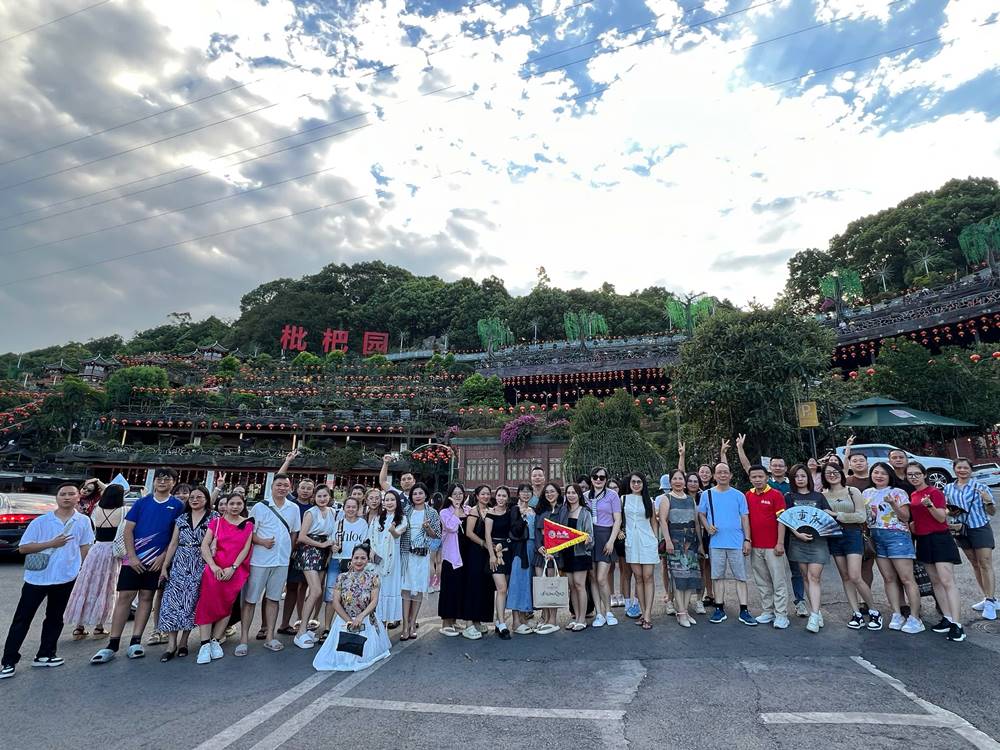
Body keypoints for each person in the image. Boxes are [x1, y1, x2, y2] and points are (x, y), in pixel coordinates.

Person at [1, 483, 94, 679]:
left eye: (71, 494)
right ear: (57, 498)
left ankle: (45, 654)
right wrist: (52, 544)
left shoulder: (83, 521)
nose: (66, 497)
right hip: (38, 577)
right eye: (63, 494)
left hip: (66, 576)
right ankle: (8, 660)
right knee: (22, 619)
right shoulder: (41, 522)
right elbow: (24, 548)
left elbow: (85, 546)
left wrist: (82, 569)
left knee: (55, 618)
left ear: (78, 497)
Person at [92, 467, 184, 664]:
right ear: (154, 481)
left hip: (157, 559)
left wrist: (163, 557)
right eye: (159, 478)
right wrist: (131, 556)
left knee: (146, 597)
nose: (162, 482)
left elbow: (176, 535)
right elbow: (128, 530)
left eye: (167, 479)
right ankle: (113, 643)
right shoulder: (142, 503)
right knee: (125, 597)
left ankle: (136, 640)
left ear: (173, 482)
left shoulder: (177, 506)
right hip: (134, 558)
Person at [239, 473, 301, 655]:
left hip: (281, 560)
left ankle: (270, 637)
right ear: (272, 487)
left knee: (273, 599)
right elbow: (250, 533)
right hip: (260, 560)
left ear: (290, 488)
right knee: (250, 600)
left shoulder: (293, 508)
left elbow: (294, 532)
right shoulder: (260, 507)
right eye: (279, 485)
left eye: (285, 485)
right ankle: (243, 639)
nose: (282, 488)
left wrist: (288, 552)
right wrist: (262, 542)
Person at [908, 462, 966, 642]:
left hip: (940, 538)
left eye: (917, 473)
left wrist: (930, 505)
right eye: (910, 475)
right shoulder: (913, 494)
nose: (913, 477)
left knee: (947, 580)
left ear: (924, 474)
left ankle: (958, 624)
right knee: (935, 581)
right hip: (923, 540)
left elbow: (942, 517)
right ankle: (947, 618)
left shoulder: (934, 493)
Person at [158, 486, 216, 661]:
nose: (195, 500)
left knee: (191, 602)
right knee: (173, 603)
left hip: (200, 561)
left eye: (199, 497)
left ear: (206, 499)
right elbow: (174, 543)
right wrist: (165, 565)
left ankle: (184, 641)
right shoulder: (181, 518)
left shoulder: (214, 518)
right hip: (180, 562)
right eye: (192, 497)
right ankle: (171, 644)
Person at [312, 543, 391, 672]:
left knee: (362, 656)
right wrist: (348, 620)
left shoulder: (373, 577)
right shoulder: (341, 578)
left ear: (367, 560)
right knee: (340, 656)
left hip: (365, 619)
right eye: (356, 558)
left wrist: (360, 617)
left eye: (363, 558)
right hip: (344, 620)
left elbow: (374, 601)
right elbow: (335, 602)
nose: (359, 561)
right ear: (351, 559)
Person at [864, 462, 923, 634]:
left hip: (897, 536)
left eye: (883, 473)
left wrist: (893, 504)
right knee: (888, 578)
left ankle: (915, 617)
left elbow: (905, 517)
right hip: (877, 536)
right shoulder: (866, 493)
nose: (879, 476)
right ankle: (896, 613)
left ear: (890, 475)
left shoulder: (898, 492)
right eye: (876, 472)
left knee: (906, 578)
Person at [822, 464, 882, 630]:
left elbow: (860, 516)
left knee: (856, 576)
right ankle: (856, 613)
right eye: (828, 473)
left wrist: (836, 515)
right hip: (834, 537)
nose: (832, 475)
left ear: (841, 473)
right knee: (845, 577)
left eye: (835, 472)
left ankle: (874, 611)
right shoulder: (823, 495)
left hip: (852, 534)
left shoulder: (852, 491)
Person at [194, 493, 254, 658]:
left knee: (227, 605)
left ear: (243, 506)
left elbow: (245, 549)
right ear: (225, 505)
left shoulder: (248, 524)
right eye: (232, 503)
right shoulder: (217, 522)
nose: (235, 507)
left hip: (234, 571)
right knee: (207, 603)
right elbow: (205, 545)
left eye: (239, 504)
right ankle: (204, 644)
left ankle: (215, 639)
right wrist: (213, 566)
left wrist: (233, 567)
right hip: (215, 569)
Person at [65, 483, 124, 640]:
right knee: (107, 587)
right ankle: (99, 626)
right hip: (112, 551)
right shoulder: (123, 511)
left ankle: (79, 627)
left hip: (95, 550)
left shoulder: (96, 509)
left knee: (87, 585)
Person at [698, 463, 755, 626]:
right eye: (719, 473)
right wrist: (707, 526)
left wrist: (747, 539)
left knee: (740, 577)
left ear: (730, 475)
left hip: (737, 542)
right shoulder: (707, 494)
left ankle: (744, 609)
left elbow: (745, 518)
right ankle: (719, 608)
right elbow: (701, 513)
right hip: (716, 542)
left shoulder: (739, 495)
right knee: (717, 576)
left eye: (726, 472)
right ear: (714, 476)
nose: (723, 475)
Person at [944, 458, 996, 620]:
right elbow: (945, 509)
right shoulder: (948, 488)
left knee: (985, 563)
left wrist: (987, 501)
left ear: (971, 470)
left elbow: (992, 512)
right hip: (961, 529)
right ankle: (986, 597)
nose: (962, 470)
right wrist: (950, 512)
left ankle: (990, 600)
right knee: (974, 563)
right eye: (959, 468)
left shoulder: (980, 487)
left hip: (980, 527)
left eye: (966, 468)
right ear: (954, 469)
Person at [784, 464, 832, 634]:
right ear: (792, 479)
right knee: (805, 576)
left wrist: (834, 514)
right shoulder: (789, 496)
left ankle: (813, 616)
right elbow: (786, 519)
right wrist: (797, 534)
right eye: (796, 476)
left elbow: (828, 515)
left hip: (818, 541)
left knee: (814, 577)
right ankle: (816, 611)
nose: (800, 479)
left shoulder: (818, 496)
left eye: (803, 476)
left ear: (808, 478)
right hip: (797, 541)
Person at [292, 486, 339, 649]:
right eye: (319, 496)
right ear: (314, 497)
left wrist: (329, 547)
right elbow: (302, 536)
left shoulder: (333, 512)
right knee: (316, 590)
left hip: (325, 552)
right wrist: (321, 544)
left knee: (317, 591)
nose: (322, 498)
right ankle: (301, 630)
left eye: (325, 495)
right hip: (309, 550)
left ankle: (308, 626)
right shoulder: (310, 513)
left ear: (329, 497)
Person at [743, 465, 789, 629]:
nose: (757, 480)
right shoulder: (747, 495)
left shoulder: (776, 495)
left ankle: (782, 614)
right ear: (750, 479)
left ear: (766, 477)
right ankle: (768, 611)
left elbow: (782, 521)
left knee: (779, 581)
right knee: (762, 581)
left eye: (760, 477)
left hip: (773, 546)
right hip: (756, 546)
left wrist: (780, 543)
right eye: (754, 477)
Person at [658, 469, 703, 628]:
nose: (678, 481)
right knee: (678, 578)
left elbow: (696, 523)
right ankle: (681, 612)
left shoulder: (691, 500)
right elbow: (663, 521)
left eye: (680, 479)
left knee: (689, 578)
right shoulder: (666, 498)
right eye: (675, 479)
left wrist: (700, 545)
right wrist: (668, 541)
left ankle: (684, 610)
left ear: (684, 482)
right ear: (670, 482)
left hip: (691, 542)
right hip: (675, 542)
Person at [322, 497, 369, 642]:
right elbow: (331, 541)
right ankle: (327, 627)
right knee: (331, 594)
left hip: (355, 562)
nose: (350, 509)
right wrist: (332, 547)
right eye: (348, 507)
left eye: (353, 507)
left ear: (358, 508)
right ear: (344, 508)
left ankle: (352, 624)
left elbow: (364, 544)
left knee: (354, 596)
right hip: (337, 560)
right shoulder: (338, 524)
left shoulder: (363, 524)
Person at [399, 482, 440, 641]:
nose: (417, 496)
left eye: (420, 493)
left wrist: (428, 528)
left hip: (422, 557)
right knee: (406, 590)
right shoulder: (405, 511)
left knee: (418, 589)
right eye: (415, 494)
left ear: (425, 495)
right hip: (407, 555)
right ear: (411, 496)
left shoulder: (432, 513)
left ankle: (412, 623)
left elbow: (436, 536)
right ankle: (404, 626)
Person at [366, 490, 406, 636]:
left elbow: (397, 535)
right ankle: (377, 625)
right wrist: (371, 551)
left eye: (392, 500)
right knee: (378, 589)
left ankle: (386, 626)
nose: (389, 503)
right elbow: (370, 537)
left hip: (393, 560)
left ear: (397, 502)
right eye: (387, 500)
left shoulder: (402, 518)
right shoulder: (377, 518)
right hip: (377, 559)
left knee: (389, 589)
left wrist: (392, 530)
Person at [557, 483, 595, 632]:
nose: (571, 495)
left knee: (580, 585)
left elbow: (589, 534)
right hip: (566, 554)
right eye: (568, 493)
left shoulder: (585, 512)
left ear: (579, 495)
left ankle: (582, 619)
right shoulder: (563, 511)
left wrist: (587, 539)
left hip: (580, 553)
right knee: (571, 587)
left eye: (574, 492)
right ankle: (575, 615)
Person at [586, 466, 621, 628]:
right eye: (595, 476)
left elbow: (618, 520)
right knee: (593, 578)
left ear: (606, 479)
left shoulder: (612, 496)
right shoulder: (585, 496)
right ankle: (599, 612)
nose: (598, 480)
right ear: (591, 478)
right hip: (588, 537)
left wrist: (611, 540)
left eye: (602, 477)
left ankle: (608, 611)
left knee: (602, 578)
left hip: (605, 535)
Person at [623, 473, 658, 630]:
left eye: (639, 482)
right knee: (638, 578)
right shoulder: (623, 499)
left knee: (648, 576)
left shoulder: (650, 501)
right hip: (631, 542)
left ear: (643, 484)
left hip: (648, 541)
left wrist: (656, 540)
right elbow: (617, 519)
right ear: (629, 483)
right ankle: (643, 613)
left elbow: (653, 523)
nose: (636, 484)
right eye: (633, 482)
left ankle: (648, 615)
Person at [462, 485, 498, 639]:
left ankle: (478, 620)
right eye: (482, 494)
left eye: (488, 494)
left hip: (488, 553)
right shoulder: (473, 511)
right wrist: (483, 543)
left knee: (485, 586)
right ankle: (468, 624)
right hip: (475, 553)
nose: (485, 496)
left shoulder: (491, 510)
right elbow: (469, 533)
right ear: (476, 496)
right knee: (473, 585)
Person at [531, 483, 562, 635]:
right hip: (540, 553)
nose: (550, 494)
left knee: (552, 587)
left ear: (558, 493)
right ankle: (544, 617)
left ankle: (553, 620)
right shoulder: (541, 510)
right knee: (542, 587)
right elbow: (537, 532)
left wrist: (553, 551)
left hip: (554, 554)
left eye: (553, 491)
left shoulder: (563, 509)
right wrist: (538, 547)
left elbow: (563, 532)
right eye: (547, 492)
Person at [484, 486, 514, 638]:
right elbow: (487, 535)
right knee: (501, 588)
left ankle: (498, 620)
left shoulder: (510, 513)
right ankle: (502, 623)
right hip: (495, 553)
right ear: (495, 497)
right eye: (499, 495)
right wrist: (491, 555)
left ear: (508, 498)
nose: (501, 498)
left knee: (505, 588)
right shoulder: (490, 513)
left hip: (508, 552)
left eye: (504, 496)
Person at [438, 484, 467, 637]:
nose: (458, 496)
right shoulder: (444, 512)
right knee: (449, 589)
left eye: (460, 493)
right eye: (454, 494)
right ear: (449, 495)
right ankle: (446, 622)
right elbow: (451, 527)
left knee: (459, 588)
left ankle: (454, 620)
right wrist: (456, 509)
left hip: (464, 555)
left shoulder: (468, 510)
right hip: (451, 556)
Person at [507, 484, 535, 633]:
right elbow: (514, 530)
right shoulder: (514, 510)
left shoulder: (533, 510)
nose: (525, 494)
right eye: (523, 491)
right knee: (517, 582)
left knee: (527, 582)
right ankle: (516, 622)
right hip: (519, 549)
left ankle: (524, 618)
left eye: (528, 491)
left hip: (531, 549)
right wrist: (521, 517)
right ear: (518, 494)